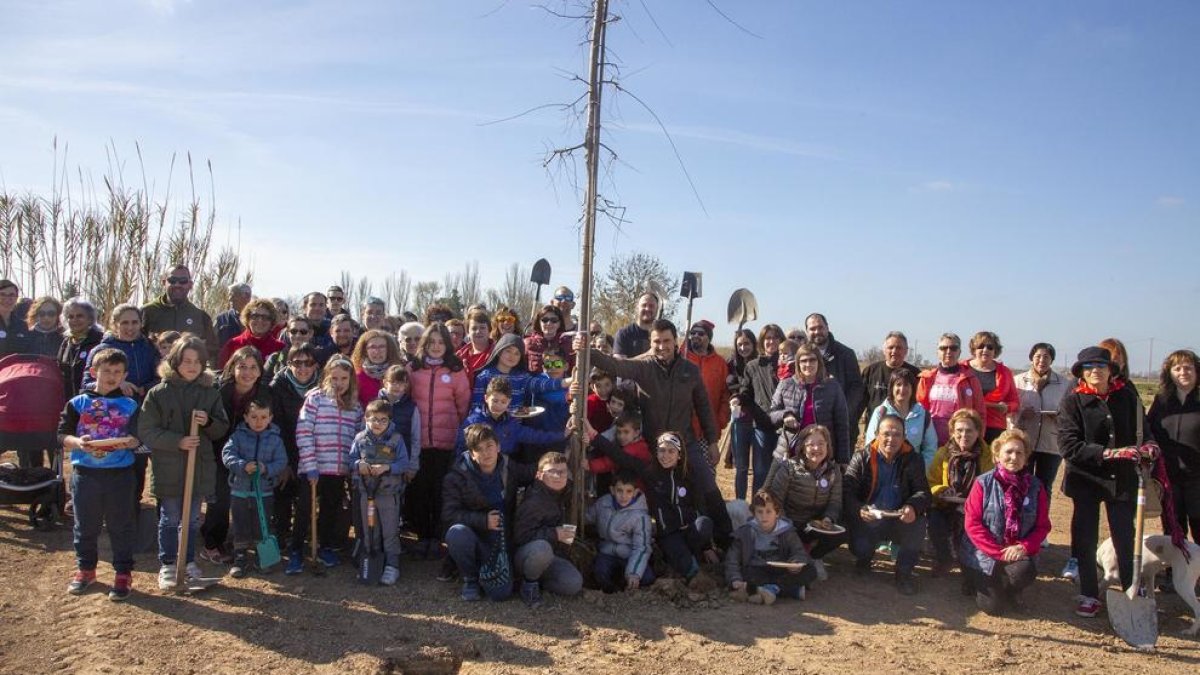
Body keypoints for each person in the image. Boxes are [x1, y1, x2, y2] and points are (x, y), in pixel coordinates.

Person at [577, 320, 732, 547]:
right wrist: (585, 348)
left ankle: (725, 537)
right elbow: (615, 366)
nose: (662, 346)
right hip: (654, 446)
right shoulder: (644, 367)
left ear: (676, 341)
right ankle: (663, 539)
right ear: (651, 344)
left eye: (666, 341)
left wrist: (711, 441)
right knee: (656, 494)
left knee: (707, 486)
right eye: (656, 341)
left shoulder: (690, 371)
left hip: (685, 443)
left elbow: (704, 407)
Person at [1058, 345, 1156, 618]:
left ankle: (1131, 588)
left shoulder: (1127, 395)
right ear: (1082, 373)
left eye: (1101, 366)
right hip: (1086, 479)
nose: (1096, 372)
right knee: (1086, 538)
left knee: (1125, 537)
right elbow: (1069, 445)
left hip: (1122, 479)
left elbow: (1143, 430)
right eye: (1089, 368)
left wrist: (1149, 446)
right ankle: (1089, 593)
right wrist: (1108, 453)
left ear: (1111, 370)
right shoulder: (1073, 401)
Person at [138, 337, 230, 591]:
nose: (191, 366)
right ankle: (168, 564)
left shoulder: (209, 393)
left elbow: (222, 427)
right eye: (186, 361)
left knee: (190, 520)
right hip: (168, 467)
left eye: (197, 362)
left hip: (198, 467)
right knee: (170, 517)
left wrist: (209, 422)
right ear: (175, 362)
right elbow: (147, 431)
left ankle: (187, 562)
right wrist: (177, 441)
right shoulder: (159, 393)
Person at [58, 348, 142, 601]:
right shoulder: (77, 403)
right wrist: (77, 442)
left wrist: (131, 441)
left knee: (121, 525)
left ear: (125, 374)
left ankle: (123, 573)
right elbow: (62, 434)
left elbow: (139, 437)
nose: (112, 376)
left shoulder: (131, 405)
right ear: (94, 372)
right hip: (85, 473)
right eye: (107, 371)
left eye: (118, 372)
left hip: (120, 474)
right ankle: (86, 570)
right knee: (86, 526)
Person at [594, 430, 719, 591]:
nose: (665, 455)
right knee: (677, 550)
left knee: (704, 524)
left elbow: (700, 505)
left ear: (679, 455)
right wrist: (594, 436)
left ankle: (693, 556)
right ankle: (693, 574)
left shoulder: (689, 475)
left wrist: (707, 546)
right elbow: (621, 457)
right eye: (662, 450)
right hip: (668, 533)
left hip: (689, 529)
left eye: (671, 451)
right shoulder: (651, 473)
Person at [960, 429, 1052, 616]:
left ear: (1026, 458)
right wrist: (998, 552)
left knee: (1025, 571)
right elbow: (972, 524)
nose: (1013, 457)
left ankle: (1011, 590)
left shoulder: (1036, 487)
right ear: (997, 456)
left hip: (1017, 553)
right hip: (984, 554)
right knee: (993, 608)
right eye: (1008, 452)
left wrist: (1024, 547)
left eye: (1019, 453)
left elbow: (1043, 526)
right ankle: (976, 580)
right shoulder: (982, 483)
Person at [442, 424, 537, 601]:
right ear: (471, 453)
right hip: (474, 537)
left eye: (489, 446)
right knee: (457, 533)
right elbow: (449, 514)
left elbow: (535, 472)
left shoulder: (509, 467)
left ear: (498, 447)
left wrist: (562, 458)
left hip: (501, 541)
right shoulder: (456, 476)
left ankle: (491, 573)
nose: (485, 453)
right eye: (478, 449)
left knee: (500, 594)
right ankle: (470, 578)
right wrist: (482, 520)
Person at [844, 414, 930, 595]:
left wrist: (913, 506)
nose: (891, 439)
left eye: (897, 434)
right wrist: (859, 509)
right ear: (876, 434)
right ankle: (864, 560)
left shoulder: (913, 459)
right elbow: (847, 491)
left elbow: (923, 492)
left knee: (919, 524)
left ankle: (903, 574)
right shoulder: (862, 457)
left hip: (898, 518)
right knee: (860, 546)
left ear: (904, 436)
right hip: (870, 518)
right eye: (886, 434)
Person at [201, 346, 272, 565]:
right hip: (218, 450)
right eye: (242, 367)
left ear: (260, 371)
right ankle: (212, 543)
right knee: (220, 498)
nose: (247, 373)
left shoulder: (265, 393)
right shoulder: (217, 390)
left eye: (253, 367)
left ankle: (245, 540)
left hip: (251, 453)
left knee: (246, 498)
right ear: (232, 367)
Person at [406, 323, 471, 559]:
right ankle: (422, 536)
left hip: (446, 442)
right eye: (431, 342)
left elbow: (463, 404)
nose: (436, 347)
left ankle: (438, 537)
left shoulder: (455, 369)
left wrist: (458, 430)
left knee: (441, 490)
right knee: (420, 491)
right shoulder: (413, 368)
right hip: (419, 441)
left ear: (447, 345)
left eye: (440, 342)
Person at [297, 357, 363, 568]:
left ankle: (325, 546)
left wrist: (352, 468)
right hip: (314, 467)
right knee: (305, 508)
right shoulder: (315, 399)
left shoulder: (355, 405)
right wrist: (310, 465)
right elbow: (304, 431)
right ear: (326, 376)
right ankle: (297, 548)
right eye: (334, 377)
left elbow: (359, 438)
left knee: (329, 509)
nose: (339, 382)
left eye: (344, 378)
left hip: (338, 469)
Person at [763, 424, 845, 577]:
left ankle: (814, 557)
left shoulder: (834, 472)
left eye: (821, 443)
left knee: (841, 532)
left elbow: (835, 502)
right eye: (811, 444)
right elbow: (775, 502)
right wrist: (787, 526)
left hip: (815, 525)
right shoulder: (789, 468)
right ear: (802, 447)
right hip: (789, 524)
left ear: (828, 445)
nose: (816, 448)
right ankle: (797, 555)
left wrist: (828, 519)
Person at [220, 396, 287, 578]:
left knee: (262, 523)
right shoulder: (238, 436)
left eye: (263, 417)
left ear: (270, 418)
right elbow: (227, 455)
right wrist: (242, 466)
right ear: (246, 417)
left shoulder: (275, 439)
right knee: (240, 523)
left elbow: (281, 461)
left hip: (263, 491)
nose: (259, 422)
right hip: (239, 490)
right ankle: (240, 557)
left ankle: (261, 555)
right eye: (254, 417)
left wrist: (266, 469)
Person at [349, 399, 413, 586]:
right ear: (366, 419)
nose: (378, 423)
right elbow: (351, 459)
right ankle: (372, 559)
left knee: (389, 530)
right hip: (366, 495)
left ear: (389, 421)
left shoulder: (396, 440)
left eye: (383, 420)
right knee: (370, 530)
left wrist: (386, 467)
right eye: (373, 419)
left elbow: (403, 464)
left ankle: (392, 564)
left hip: (388, 494)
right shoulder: (360, 439)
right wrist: (358, 465)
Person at [270, 343, 319, 573]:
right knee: (282, 494)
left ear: (315, 365)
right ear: (288, 364)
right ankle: (280, 536)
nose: (302, 368)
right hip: (284, 449)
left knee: (305, 499)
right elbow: (276, 426)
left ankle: (300, 542)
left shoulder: (322, 388)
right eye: (297, 362)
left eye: (308, 363)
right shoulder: (277, 387)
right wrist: (286, 462)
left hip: (311, 454)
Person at [926, 408, 993, 577]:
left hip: (976, 509)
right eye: (959, 430)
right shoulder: (943, 453)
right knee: (935, 521)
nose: (964, 435)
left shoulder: (988, 456)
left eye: (969, 430)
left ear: (978, 431)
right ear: (952, 432)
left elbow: (992, 487)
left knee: (970, 530)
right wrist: (941, 490)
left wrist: (975, 500)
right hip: (945, 504)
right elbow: (931, 481)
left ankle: (968, 567)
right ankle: (944, 559)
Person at [512, 451, 584, 606]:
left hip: (554, 556)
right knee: (542, 549)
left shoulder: (568, 494)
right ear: (539, 475)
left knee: (573, 584)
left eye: (562, 471)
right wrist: (554, 534)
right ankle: (528, 584)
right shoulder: (534, 501)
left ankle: (538, 582)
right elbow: (519, 536)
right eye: (552, 472)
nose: (558, 476)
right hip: (527, 555)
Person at [725, 490, 816, 604]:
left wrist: (796, 562)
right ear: (753, 513)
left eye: (768, 512)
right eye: (760, 512)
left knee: (810, 570)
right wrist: (735, 578)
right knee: (745, 574)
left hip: (782, 570)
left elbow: (799, 552)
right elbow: (732, 558)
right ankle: (791, 590)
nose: (764, 516)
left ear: (776, 513)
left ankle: (767, 589)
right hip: (757, 570)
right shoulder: (746, 532)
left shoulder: (786, 531)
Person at [1147, 350, 1200, 544]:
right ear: (1169, 373)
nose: (1183, 372)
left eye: (1188, 367)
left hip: (1197, 478)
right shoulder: (1162, 401)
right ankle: (1175, 571)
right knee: (1173, 527)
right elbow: (1148, 429)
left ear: (1197, 371)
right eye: (1177, 368)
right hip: (1168, 476)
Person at [769, 343, 851, 465]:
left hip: (820, 454)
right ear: (798, 363)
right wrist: (784, 415)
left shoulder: (832, 387)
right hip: (789, 453)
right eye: (804, 361)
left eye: (812, 360)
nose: (808, 364)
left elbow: (842, 425)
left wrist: (843, 460)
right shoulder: (785, 384)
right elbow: (771, 413)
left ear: (819, 362)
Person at [1013, 343, 1073, 500]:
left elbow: (1071, 413)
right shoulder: (1017, 381)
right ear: (1032, 358)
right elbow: (1009, 410)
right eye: (1038, 356)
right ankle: (1019, 520)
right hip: (1023, 441)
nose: (1042, 360)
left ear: (1052, 360)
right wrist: (1021, 414)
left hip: (1051, 443)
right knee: (1020, 483)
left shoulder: (1064, 384)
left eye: (1046, 357)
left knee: (1044, 486)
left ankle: (1041, 522)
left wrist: (1059, 416)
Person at [731, 324, 784, 498]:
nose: (771, 342)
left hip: (785, 427)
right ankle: (758, 509)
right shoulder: (753, 366)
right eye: (767, 338)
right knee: (760, 471)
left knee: (782, 472)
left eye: (775, 337)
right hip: (761, 426)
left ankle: (776, 510)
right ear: (762, 341)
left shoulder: (789, 364)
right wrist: (739, 398)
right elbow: (746, 391)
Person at [456, 376, 566, 457]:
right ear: (486, 398)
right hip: (478, 464)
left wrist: (562, 435)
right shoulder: (474, 422)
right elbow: (460, 448)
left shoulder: (510, 422)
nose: (498, 405)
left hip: (504, 462)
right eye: (495, 401)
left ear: (509, 402)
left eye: (503, 402)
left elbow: (534, 435)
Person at [586, 469, 655, 593]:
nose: (624, 496)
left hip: (629, 553)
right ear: (612, 490)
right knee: (599, 574)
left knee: (646, 578)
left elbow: (641, 547)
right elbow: (588, 517)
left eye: (629, 491)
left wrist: (634, 573)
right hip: (607, 551)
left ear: (635, 492)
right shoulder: (603, 503)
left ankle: (627, 579)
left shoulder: (640, 516)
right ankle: (612, 590)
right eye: (619, 491)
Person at [804, 313, 865, 449]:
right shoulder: (802, 355)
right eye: (812, 329)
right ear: (807, 331)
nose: (817, 332)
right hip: (810, 428)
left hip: (841, 428)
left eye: (820, 327)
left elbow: (856, 388)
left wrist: (844, 412)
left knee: (840, 468)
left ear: (827, 328)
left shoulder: (846, 354)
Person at [140, 264, 218, 366]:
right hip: (153, 377)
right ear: (164, 282)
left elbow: (212, 350)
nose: (177, 285)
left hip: (189, 377)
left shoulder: (201, 316)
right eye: (172, 280)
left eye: (183, 281)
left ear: (190, 284)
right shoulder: (147, 311)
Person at [917, 333, 987, 446]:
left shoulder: (971, 379)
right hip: (931, 442)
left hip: (960, 442)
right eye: (943, 348)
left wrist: (978, 440)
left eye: (953, 348)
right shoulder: (927, 378)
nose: (948, 351)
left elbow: (980, 414)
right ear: (937, 352)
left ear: (959, 352)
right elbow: (919, 412)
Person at [471, 333, 568, 410]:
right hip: (490, 431)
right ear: (499, 351)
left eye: (517, 353)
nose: (512, 356)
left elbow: (541, 384)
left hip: (515, 428)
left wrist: (567, 382)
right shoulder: (484, 376)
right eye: (508, 351)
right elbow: (477, 407)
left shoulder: (522, 376)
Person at [863, 369, 938, 467]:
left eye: (906, 385)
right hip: (884, 473)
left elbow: (930, 449)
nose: (902, 389)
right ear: (891, 388)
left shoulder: (923, 415)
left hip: (914, 474)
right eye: (898, 384)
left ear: (913, 388)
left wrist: (919, 471)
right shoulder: (881, 412)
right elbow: (871, 445)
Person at [83, 304, 160, 397]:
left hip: (146, 404)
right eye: (125, 323)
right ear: (115, 324)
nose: (130, 327)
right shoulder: (101, 350)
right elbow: (86, 384)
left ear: (141, 323)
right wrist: (117, 384)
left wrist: (144, 388)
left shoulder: (150, 347)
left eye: (134, 322)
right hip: (112, 406)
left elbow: (161, 377)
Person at [858, 332, 921, 435]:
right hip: (875, 431)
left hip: (906, 433)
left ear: (906, 351)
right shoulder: (871, 371)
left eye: (899, 348)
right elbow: (860, 403)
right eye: (890, 347)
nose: (894, 351)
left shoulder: (915, 374)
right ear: (884, 350)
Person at [964, 331, 1019, 444]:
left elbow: (1015, 401)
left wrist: (1007, 407)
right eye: (981, 346)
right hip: (965, 424)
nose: (985, 350)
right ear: (974, 349)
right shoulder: (961, 369)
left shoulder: (1005, 372)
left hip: (994, 427)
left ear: (995, 351)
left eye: (990, 347)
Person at [683, 320, 730, 444]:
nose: (695, 336)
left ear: (709, 337)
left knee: (705, 464)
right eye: (693, 333)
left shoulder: (720, 363)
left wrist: (720, 421)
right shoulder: (681, 357)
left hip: (707, 432)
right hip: (681, 428)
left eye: (700, 333)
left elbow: (725, 395)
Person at [586, 410, 652, 497]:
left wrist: (590, 465)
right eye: (619, 432)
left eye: (626, 432)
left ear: (636, 432)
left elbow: (611, 462)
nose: (621, 436)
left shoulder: (635, 449)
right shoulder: (638, 444)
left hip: (635, 493)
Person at [726, 328, 759, 499]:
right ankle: (739, 502)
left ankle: (757, 504)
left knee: (759, 468)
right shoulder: (731, 364)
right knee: (741, 467)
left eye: (747, 343)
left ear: (754, 344)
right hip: (739, 420)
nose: (743, 347)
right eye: (740, 344)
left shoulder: (761, 364)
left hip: (758, 422)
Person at [217, 298, 284, 369]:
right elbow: (222, 373)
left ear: (272, 321)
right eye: (255, 316)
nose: (260, 320)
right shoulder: (233, 344)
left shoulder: (279, 348)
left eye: (265, 317)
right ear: (247, 319)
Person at [57, 298, 104, 400]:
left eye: (80, 316)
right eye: (71, 317)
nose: (75, 320)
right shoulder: (66, 342)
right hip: (69, 402)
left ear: (90, 318)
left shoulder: (100, 340)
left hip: (94, 402)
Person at [351, 329, 403, 407]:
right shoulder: (357, 376)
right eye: (372, 347)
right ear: (365, 351)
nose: (377, 351)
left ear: (388, 349)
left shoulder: (399, 373)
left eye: (382, 347)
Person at [525, 305, 574, 375]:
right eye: (544, 320)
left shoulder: (568, 344)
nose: (549, 323)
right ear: (539, 322)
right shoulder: (527, 343)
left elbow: (574, 370)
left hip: (561, 384)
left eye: (554, 320)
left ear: (560, 323)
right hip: (533, 385)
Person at [613, 293, 659, 359]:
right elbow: (619, 365)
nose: (647, 309)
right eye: (644, 305)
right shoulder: (624, 334)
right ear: (637, 308)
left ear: (657, 309)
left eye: (651, 306)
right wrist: (647, 354)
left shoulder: (662, 335)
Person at [456, 309, 493, 386]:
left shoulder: (497, 353)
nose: (478, 331)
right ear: (468, 332)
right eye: (474, 328)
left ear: (489, 330)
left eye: (482, 328)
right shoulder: (459, 356)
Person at [215, 283, 252, 353]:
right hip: (226, 361)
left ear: (247, 296)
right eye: (229, 295)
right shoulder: (222, 318)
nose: (230, 299)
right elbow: (212, 344)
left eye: (233, 295)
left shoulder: (257, 320)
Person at [0, 279, 30, 357]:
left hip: (16, 368)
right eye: (2, 294)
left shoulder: (22, 326)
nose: (7, 299)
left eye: (11, 295)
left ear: (16, 298)